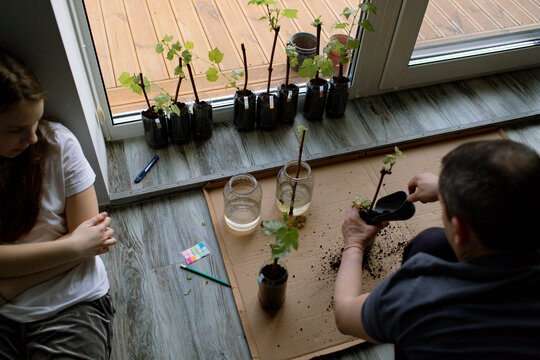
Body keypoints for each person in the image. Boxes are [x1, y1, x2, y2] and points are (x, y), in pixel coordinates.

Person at [334, 139, 540, 359]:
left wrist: (354, 244)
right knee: (431, 243)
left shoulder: (419, 300)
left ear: (460, 230)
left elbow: (344, 315)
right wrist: (447, 189)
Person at [0, 47, 117, 359]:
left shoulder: (59, 144)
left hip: (69, 299)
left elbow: (90, 245)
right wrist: (72, 246)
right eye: (16, 130)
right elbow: (80, 246)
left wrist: (9, 286)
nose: (33, 138)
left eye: (36, 123)